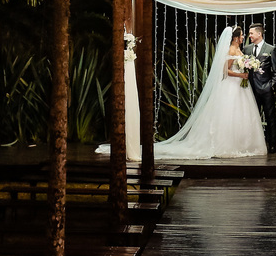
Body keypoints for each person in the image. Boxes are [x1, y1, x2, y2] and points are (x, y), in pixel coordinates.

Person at [99, 25, 265, 159]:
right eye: (242, 35)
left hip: (241, 88)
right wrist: (241, 74)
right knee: (229, 116)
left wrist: (246, 69)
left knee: (242, 117)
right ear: (236, 37)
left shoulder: (240, 50)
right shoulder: (230, 50)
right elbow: (225, 71)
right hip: (231, 86)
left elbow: (242, 64)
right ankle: (228, 144)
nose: (243, 38)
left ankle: (243, 144)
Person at [245, 23, 276, 154]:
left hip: (266, 90)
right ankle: (252, 144)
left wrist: (271, 86)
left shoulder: (270, 49)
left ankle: (272, 145)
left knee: (270, 118)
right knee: (252, 118)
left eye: (251, 33)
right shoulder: (247, 49)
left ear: (259, 34)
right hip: (250, 90)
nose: (249, 36)